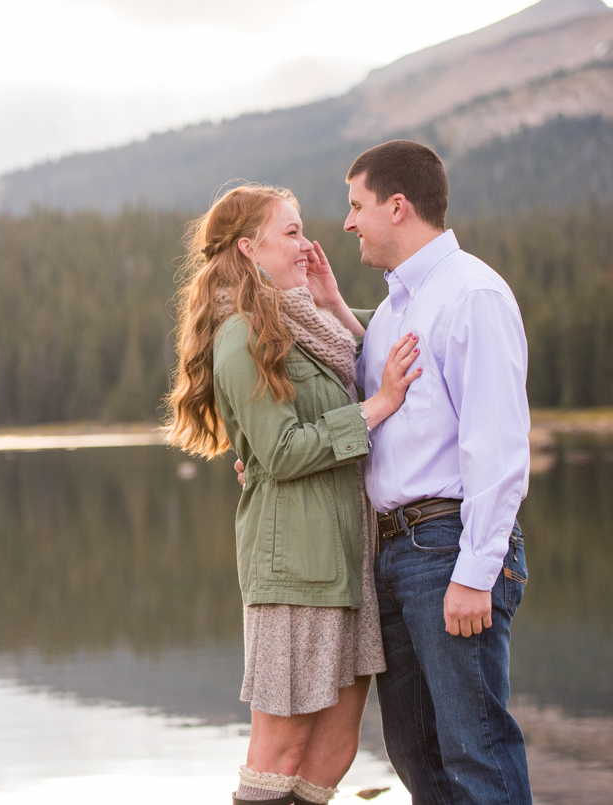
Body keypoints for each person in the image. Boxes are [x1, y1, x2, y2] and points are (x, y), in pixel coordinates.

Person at [164, 184, 421, 805]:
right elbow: (278, 453)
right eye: (291, 233)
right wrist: (376, 407)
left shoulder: (302, 323)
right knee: (278, 756)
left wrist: (332, 300)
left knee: (331, 756)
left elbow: (358, 365)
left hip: (348, 556)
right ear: (249, 249)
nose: (307, 245)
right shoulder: (239, 336)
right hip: (295, 567)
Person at [343, 140, 532, 805]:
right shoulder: (395, 309)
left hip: (450, 547)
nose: (347, 223)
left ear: (398, 206)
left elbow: (497, 445)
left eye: (356, 205)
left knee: (475, 749)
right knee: (419, 757)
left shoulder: (471, 293)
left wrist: (476, 572)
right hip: (396, 554)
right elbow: (370, 408)